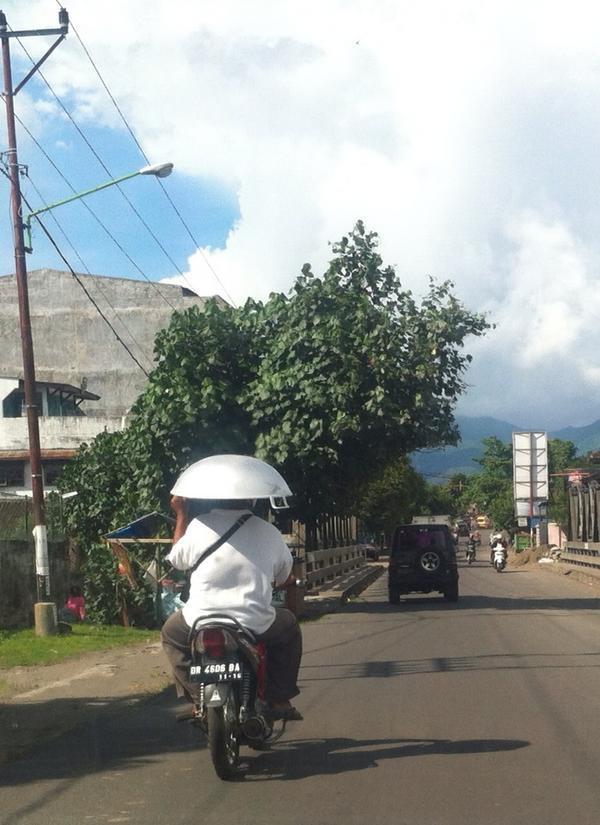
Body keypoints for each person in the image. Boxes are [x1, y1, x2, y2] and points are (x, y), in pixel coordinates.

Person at [160, 454, 303, 722]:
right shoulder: (269, 532)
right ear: (252, 500)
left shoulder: (199, 526)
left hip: (199, 619)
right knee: (290, 628)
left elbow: (177, 560)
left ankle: (196, 697)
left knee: (170, 634)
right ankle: (280, 699)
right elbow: (284, 575)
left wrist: (181, 513)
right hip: (254, 621)